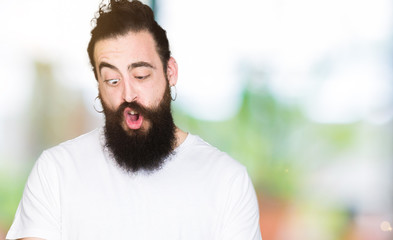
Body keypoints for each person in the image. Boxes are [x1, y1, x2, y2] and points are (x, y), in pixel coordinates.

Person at [6, 0, 262, 239]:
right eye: (112, 81)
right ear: (98, 85)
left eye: (140, 75)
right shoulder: (56, 171)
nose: (128, 94)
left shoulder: (227, 181)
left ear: (169, 72)